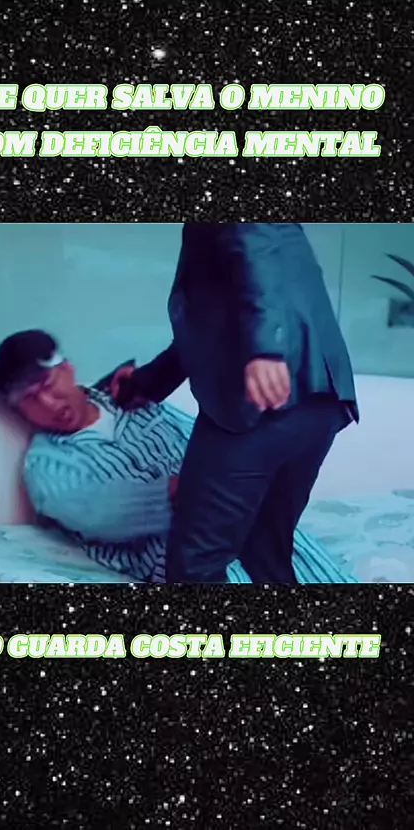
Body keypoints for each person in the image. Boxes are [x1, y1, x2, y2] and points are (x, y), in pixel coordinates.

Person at [0, 328, 354, 585]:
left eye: (48, 385)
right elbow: (99, 514)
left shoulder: (134, 400)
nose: (49, 404)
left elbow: (208, 439)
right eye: (30, 400)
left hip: (258, 525)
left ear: (67, 369)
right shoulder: (46, 466)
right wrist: (198, 486)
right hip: (187, 553)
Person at [111, 223, 359, 584]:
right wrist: (145, 383)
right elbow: (212, 329)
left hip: (260, 400)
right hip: (320, 400)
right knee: (265, 554)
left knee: (194, 564)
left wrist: (266, 349)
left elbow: (255, 252)